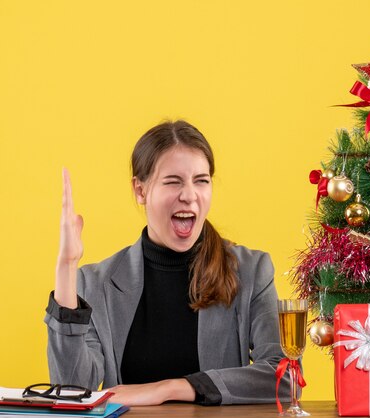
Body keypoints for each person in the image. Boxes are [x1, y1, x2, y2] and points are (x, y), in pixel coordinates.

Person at [44, 120, 290, 406]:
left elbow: (284, 377)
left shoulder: (251, 270)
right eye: (173, 182)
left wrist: (169, 389)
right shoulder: (95, 282)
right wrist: (66, 268)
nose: (189, 195)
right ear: (140, 190)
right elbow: (73, 391)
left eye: (201, 180)